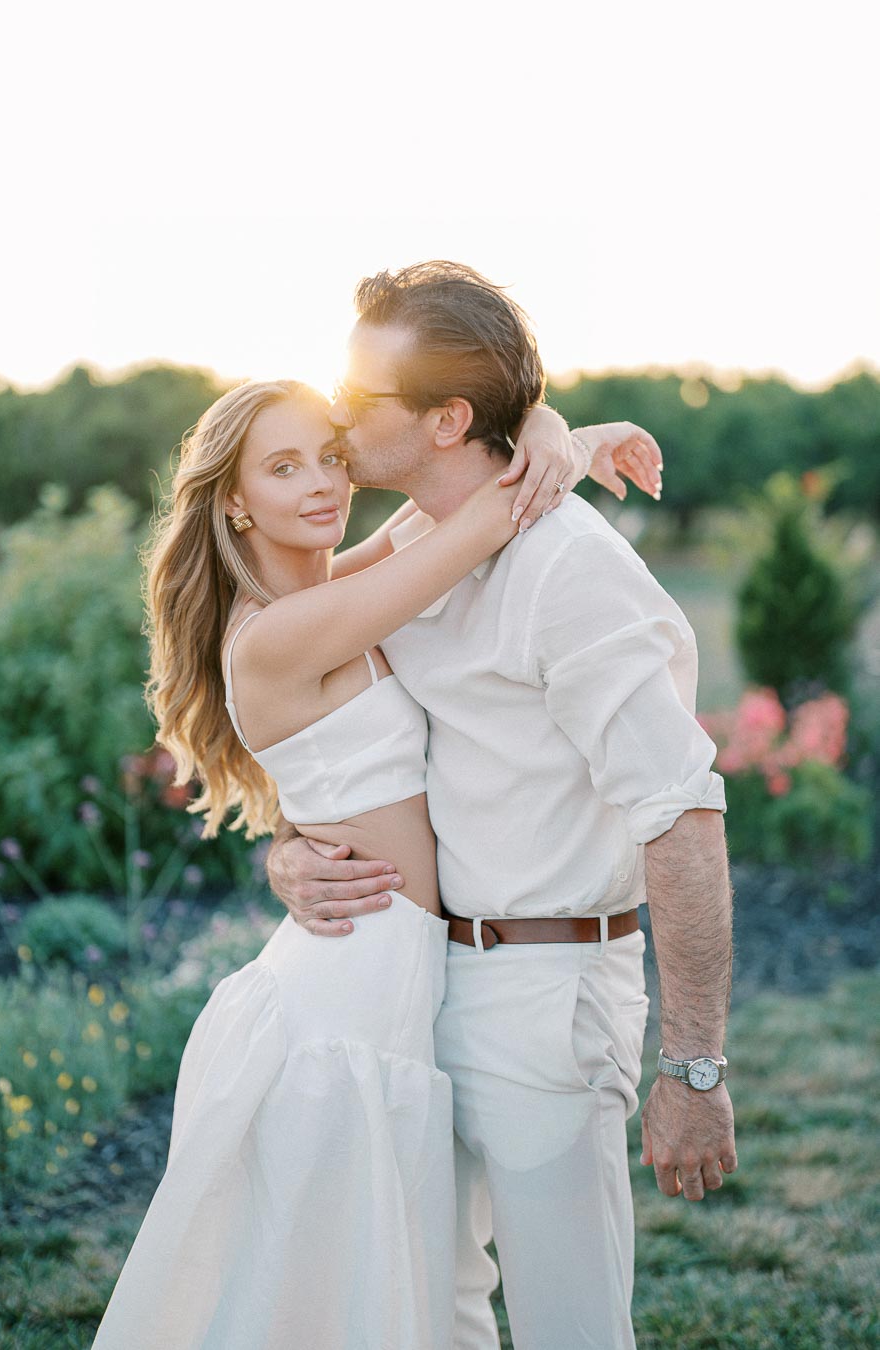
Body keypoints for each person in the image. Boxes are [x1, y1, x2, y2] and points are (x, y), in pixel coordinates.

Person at [91, 365, 647, 1348]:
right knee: (326, 1297)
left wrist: (557, 425)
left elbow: (451, 511)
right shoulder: (278, 636)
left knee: (405, 1285)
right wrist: (555, 434)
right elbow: (476, 522)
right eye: (284, 467)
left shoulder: (335, 586)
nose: (321, 484)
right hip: (343, 1001)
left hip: (401, 976)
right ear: (234, 499)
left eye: (332, 459)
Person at [270, 261, 738, 1350]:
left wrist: (695, 1067)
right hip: (412, 983)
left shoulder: (572, 572)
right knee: (429, 1314)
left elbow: (683, 815)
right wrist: (290, 852)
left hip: (550, 991)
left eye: (359, 399)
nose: (336, 418)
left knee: (570, 1323)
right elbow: (361, 752)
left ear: (446, 419)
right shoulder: (416, 552)